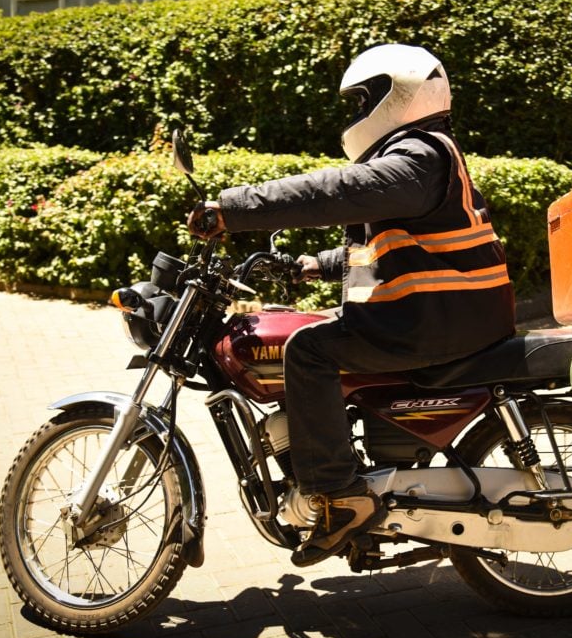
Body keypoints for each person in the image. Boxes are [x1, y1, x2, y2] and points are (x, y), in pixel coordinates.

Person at [187, 43, 516, 567]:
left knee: (308, 351)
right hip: (449, 315)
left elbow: (333, 191)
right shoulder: (423, 159)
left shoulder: (418, 155)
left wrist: (232, 209)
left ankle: (339, 496)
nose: (359, 115)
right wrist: (310, 265)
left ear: (400, 93)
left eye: (365, 100)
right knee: (323, 335)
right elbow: (382, 253)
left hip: (441, 321)